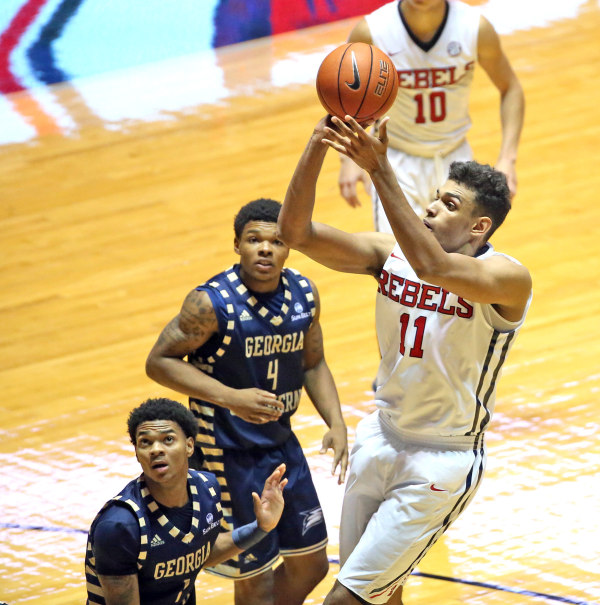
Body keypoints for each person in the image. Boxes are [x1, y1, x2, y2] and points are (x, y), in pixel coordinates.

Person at [277, 115, 532, 604]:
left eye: (449, 204)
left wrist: (379, 170)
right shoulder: (389, 253)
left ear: (480, 226)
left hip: (442, 460)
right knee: (381, 595)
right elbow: (296, 232)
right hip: (381, 436)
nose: (433, 206)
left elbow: (433, 267)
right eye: (436, 196)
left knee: (346, 599)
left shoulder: (506, 277)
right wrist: (316, 144)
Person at [145, 198, 348, 605]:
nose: (265, 249)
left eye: (276, 241)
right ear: (237, 244)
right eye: (254, 239)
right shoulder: (210, 303)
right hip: (226, 454)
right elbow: (158, 362)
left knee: (312, 564)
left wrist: (337, 422)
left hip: (281, 445)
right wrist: (230, 397)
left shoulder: (304, 293)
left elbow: (313, 363)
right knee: (253, 579)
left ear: (289, 246)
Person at [338, 0, 525, 232]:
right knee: (396, 262)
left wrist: (508, 158)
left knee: (460, 264)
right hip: (395, 161)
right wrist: (348, 158)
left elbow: (511, 88)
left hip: (457, 162)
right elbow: (345, 96)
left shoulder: (475, 28)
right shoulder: (371, 32)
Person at [85, 397, 287, 605]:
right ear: (137, 452)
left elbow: (197, 550)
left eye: (168, 440)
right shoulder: (121, 526)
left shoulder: (207, 488)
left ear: (189, 446)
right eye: (145, 442)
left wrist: (262, 527)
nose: (156, 450)